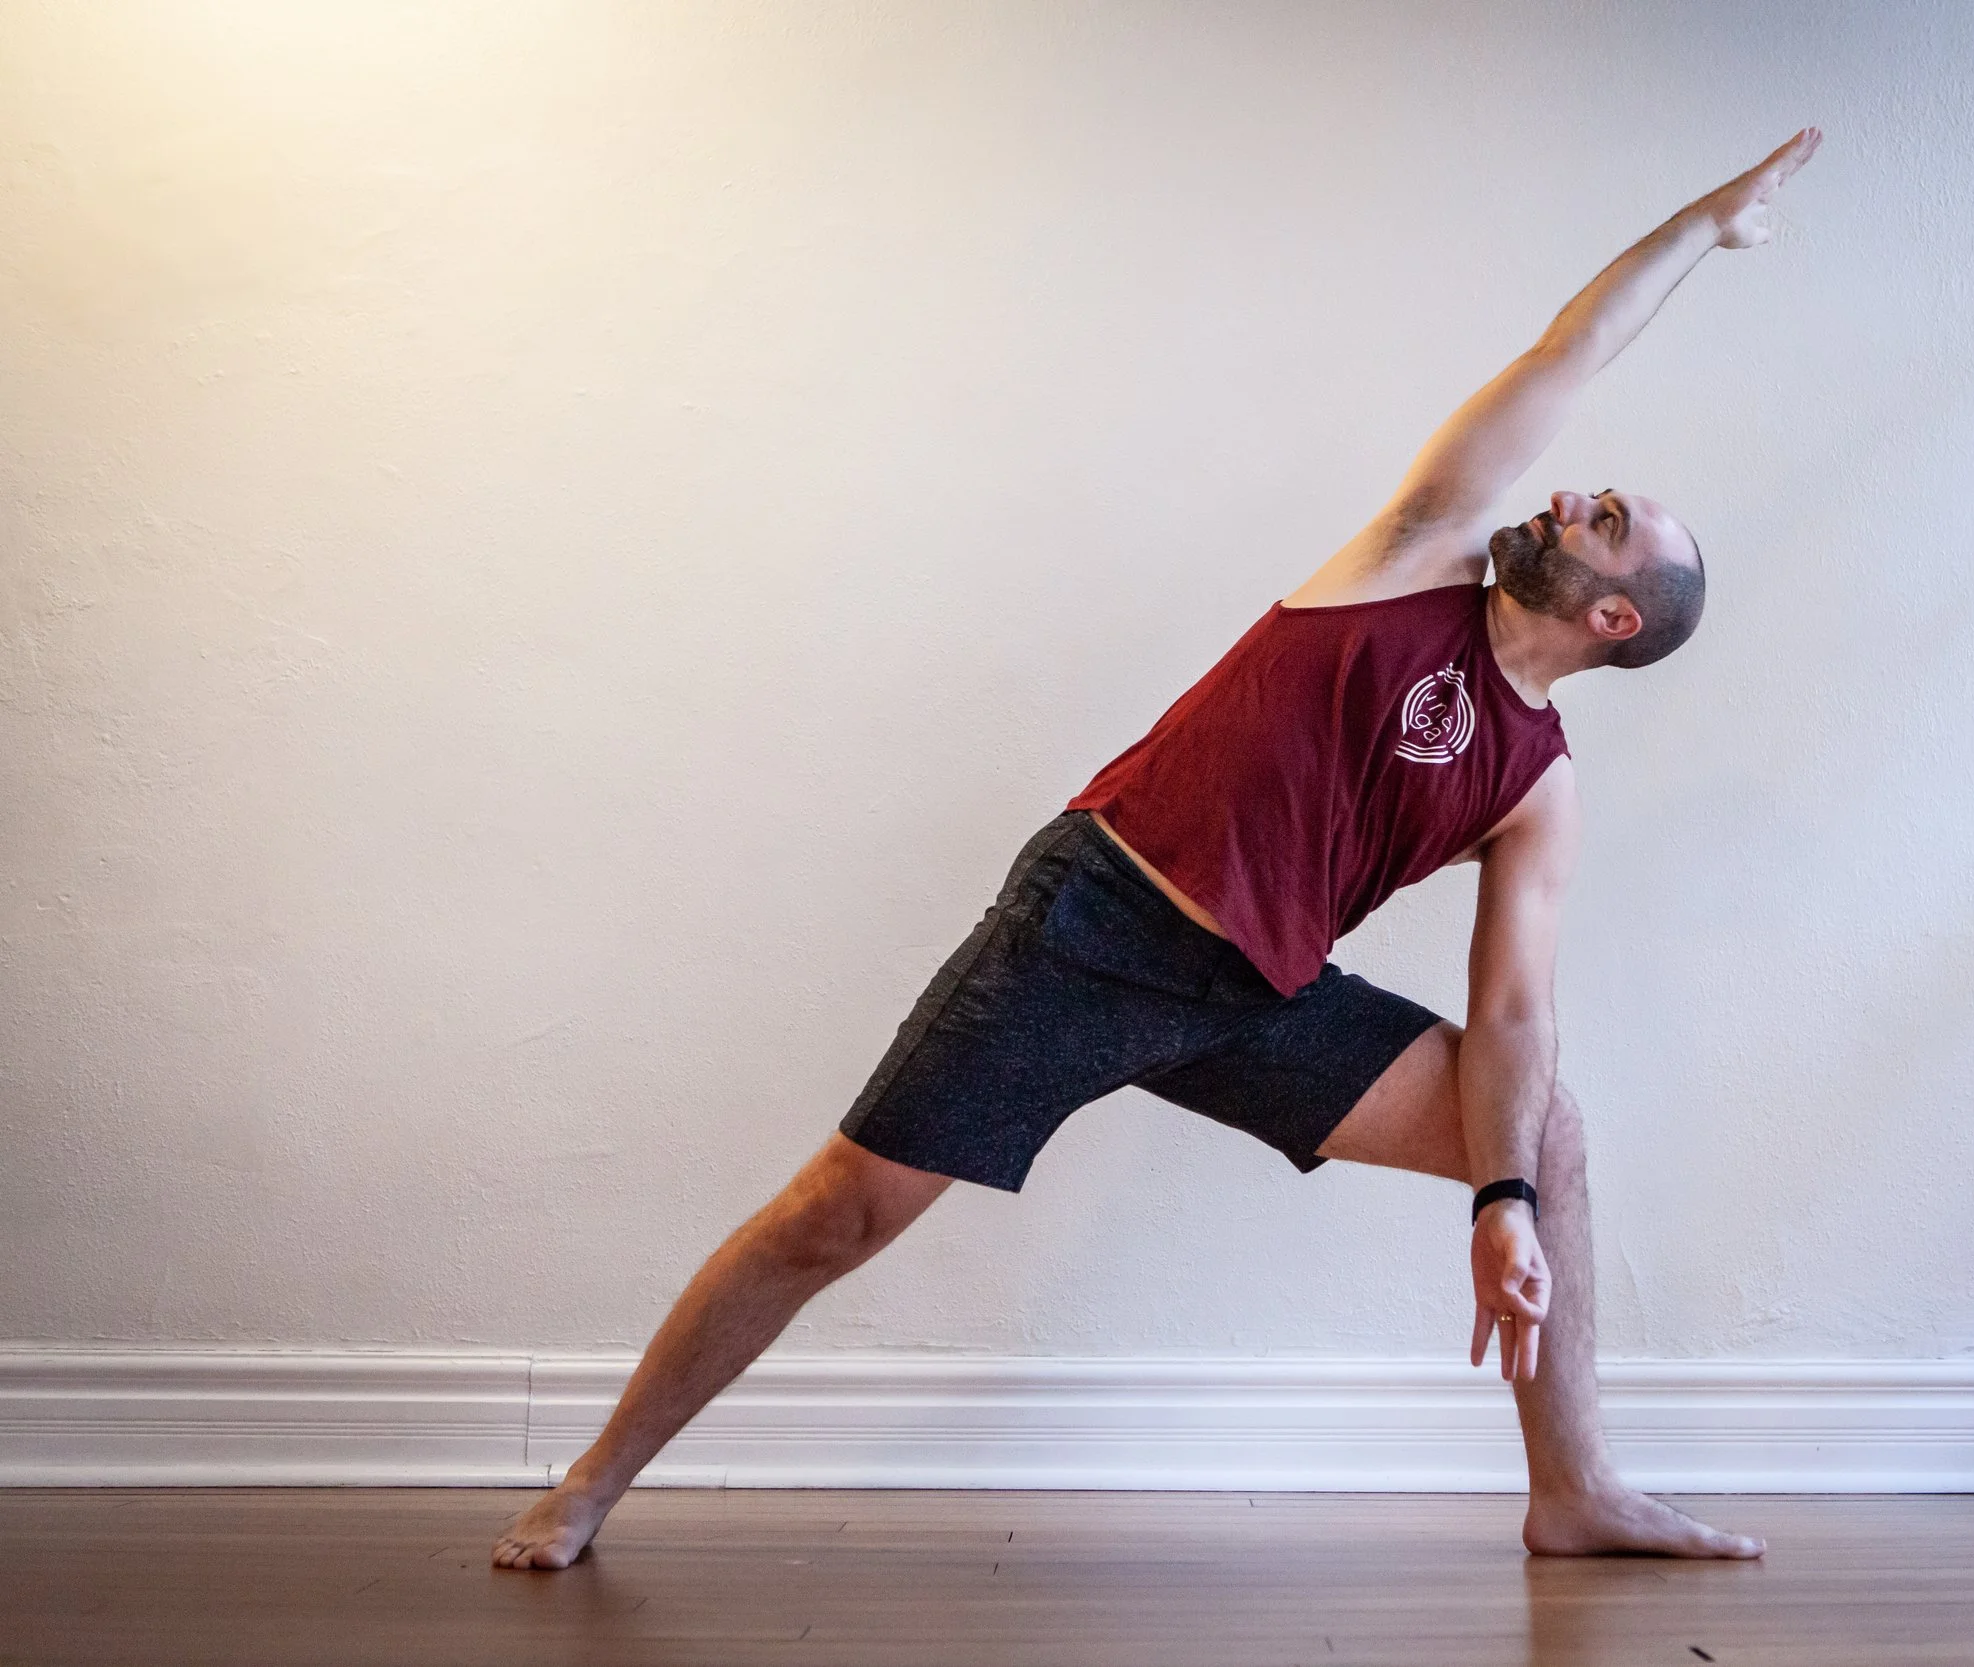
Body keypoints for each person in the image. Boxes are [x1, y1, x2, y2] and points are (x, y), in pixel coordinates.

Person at [494, 126, 1822, 1571]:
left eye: (1607, 520)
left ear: (1613, 617)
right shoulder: (1419, 552)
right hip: (1095, 923)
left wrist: (1502, 1199)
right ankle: (589, 1481)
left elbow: (1511, 1017)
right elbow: (1568, 351)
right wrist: (1697, 229)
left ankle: (1573, 1489)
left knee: (1545, 1124)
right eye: (1589, 490)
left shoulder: (1536, 788)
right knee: (838, 1213)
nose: (1573, 497)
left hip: (1254, 996)